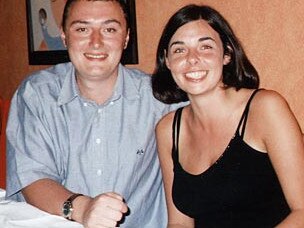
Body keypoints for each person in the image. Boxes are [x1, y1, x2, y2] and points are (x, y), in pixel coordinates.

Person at [6, 0, 184, 227]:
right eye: (82, 29)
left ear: (126, 37)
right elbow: (32, 177)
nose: (96, 42)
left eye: (109, 29)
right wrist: (83, 208)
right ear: (63, 36)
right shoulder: (36, 95)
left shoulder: (160, 100)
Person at [152, 4, 304, 227]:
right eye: (179, 50)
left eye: (205, 47)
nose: (192, 59)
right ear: (167, 60)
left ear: (227, 55)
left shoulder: (265, 109)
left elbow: (302, 210)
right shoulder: (168, 129)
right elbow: (180, 223)